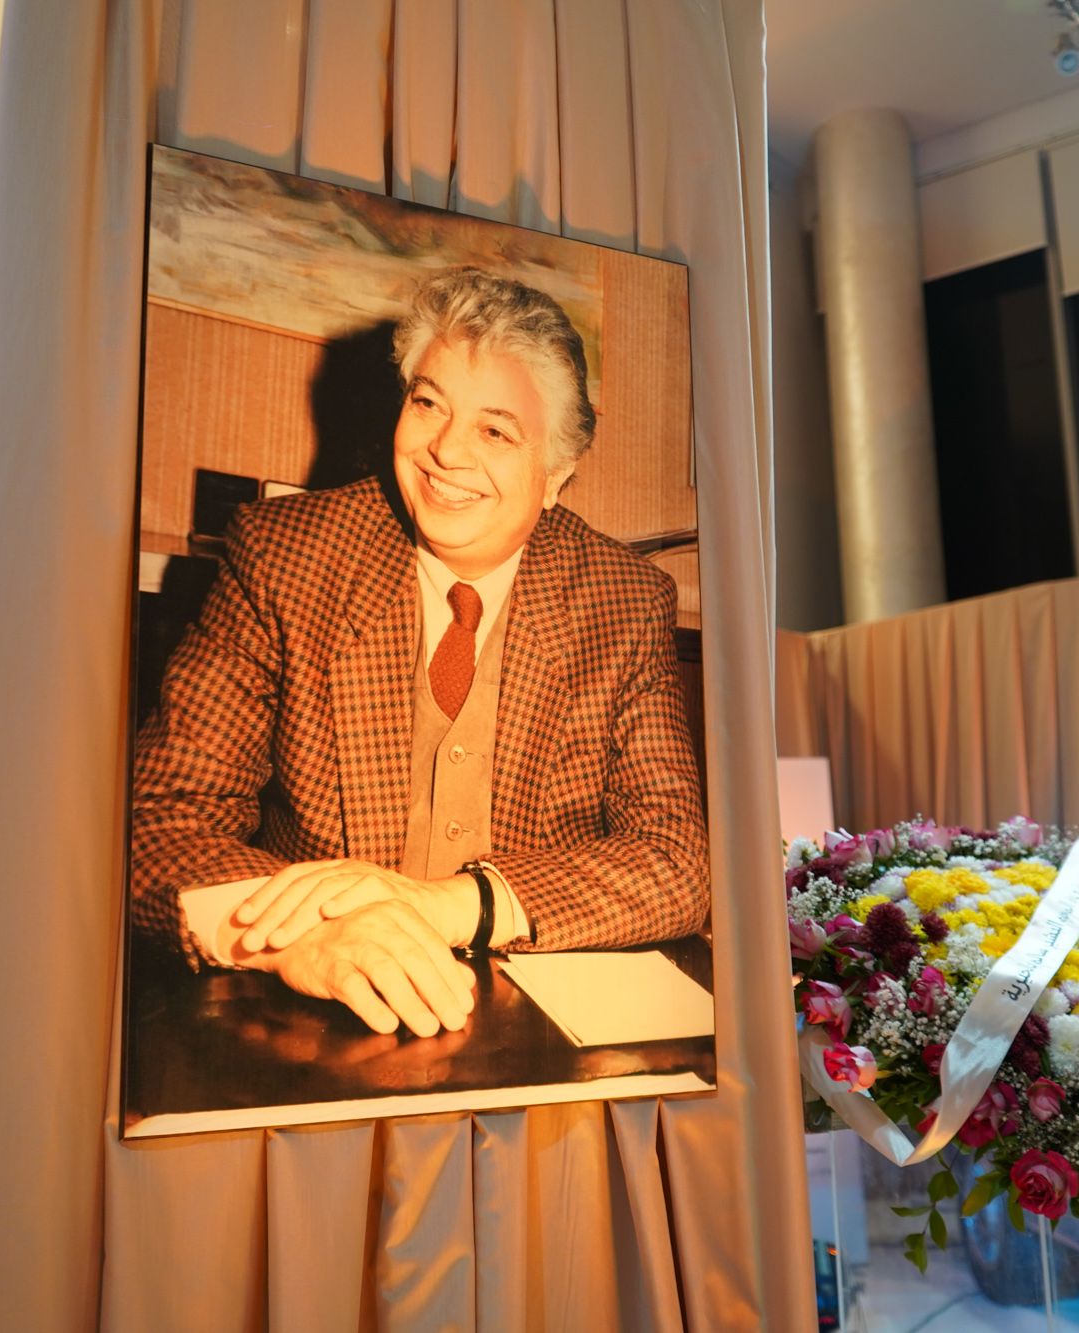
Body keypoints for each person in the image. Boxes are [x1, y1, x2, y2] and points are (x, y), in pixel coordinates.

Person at [131, 267, 709, 1039]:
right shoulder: (283, 556)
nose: (444, 451)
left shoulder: (625, 599)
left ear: (554, 477)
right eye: (429, 403)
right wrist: (297, 935)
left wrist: (453, 904)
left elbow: (674, 858)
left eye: (495, 431)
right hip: (321, 1017)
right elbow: (154, 824)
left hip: (528, 1022)